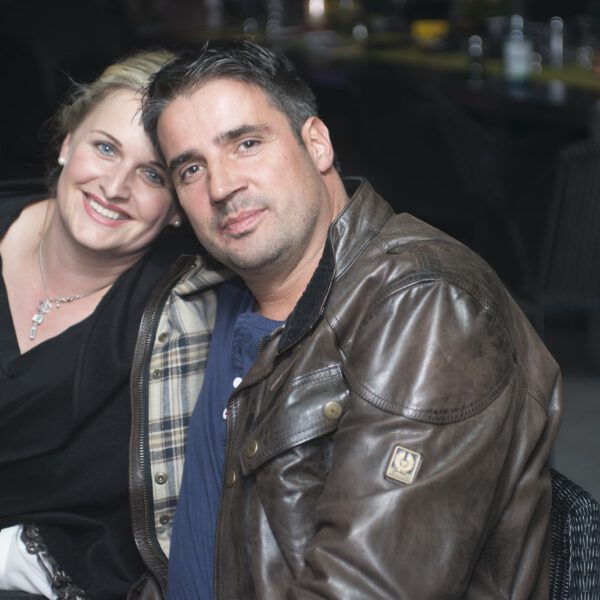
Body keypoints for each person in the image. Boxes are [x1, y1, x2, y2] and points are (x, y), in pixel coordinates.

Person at [139, 40, 563, 599]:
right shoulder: (223, 300)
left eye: (246, 143)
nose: (221, 187)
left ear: (316, 143)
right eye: (191, 169)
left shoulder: (424, 303)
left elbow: (367, 588)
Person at [0, 49, 190, 600]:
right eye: (105, 148)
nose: (114, 186)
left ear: (178, 207)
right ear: (67, 143)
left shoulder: (177, 320)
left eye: (152, 174)